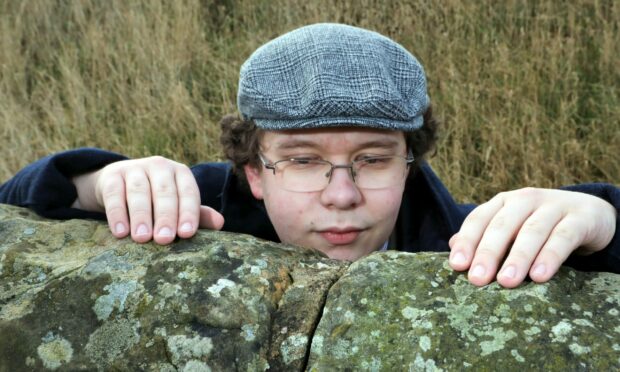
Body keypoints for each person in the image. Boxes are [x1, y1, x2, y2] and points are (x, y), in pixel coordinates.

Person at [1, 24, 618, 289]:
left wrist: (602, 219)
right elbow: (17, 204)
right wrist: (95, 179)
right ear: (254, 173)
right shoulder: (197, 209)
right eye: (301, 160)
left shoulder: (470, 239)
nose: (341, 196)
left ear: (410, 161)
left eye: (373, 159)